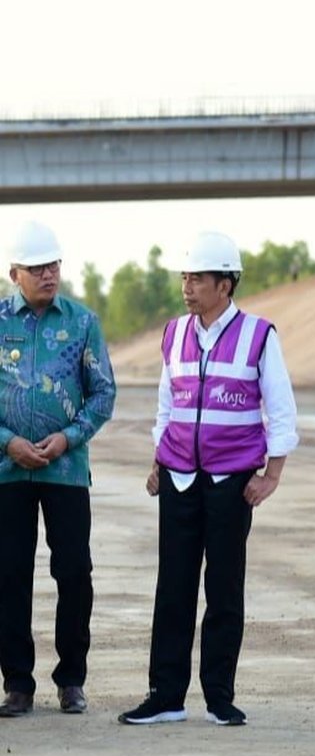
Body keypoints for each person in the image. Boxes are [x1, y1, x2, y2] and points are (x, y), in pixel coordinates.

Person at [119, 230, 298, 726]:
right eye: (184, 277)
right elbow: (167, 403)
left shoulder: (260, 335)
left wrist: (272, 474)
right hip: (177, 478)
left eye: (197, 278)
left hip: (231, 481)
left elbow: (281, 408)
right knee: (172, 587)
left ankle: (219, 695)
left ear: (226, 284)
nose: (187, 286)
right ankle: (166, 696)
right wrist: (159, 458)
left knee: (223, 588)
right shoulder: (174, 333)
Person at [0, 220, 116, 718]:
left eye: (54, 265)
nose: (49, 275)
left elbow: (104, 392)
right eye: (38, 268)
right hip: (7, 473)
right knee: (9, 577)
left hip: (66, 472)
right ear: (15, 274)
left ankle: (72, 680)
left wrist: (68, 437)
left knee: (74, 573)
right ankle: (17, 685)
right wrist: (9, 443)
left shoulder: (83, 322)